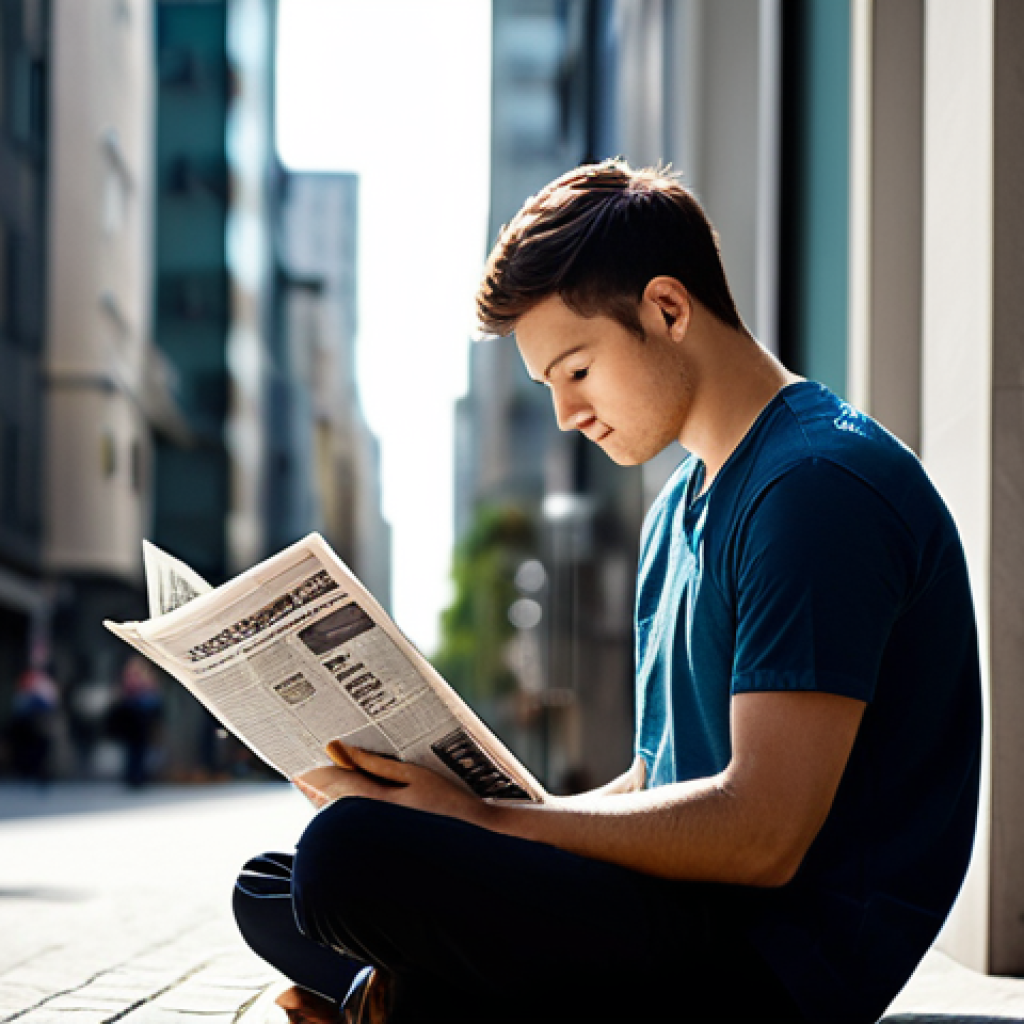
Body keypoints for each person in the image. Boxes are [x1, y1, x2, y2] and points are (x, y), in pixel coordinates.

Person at [233, 161, 982, 1024]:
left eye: (577, 371)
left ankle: (408, 999)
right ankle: (406, 996)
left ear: (667, 310)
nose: (565, 414)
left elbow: (765, 833)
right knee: (274, 888)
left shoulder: (816, 488)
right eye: (548, 386)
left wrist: (484, 827)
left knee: (347, 864)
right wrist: (480, 815)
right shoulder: (676, 512)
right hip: (677, 913)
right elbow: (650, 780)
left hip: (772, 965)